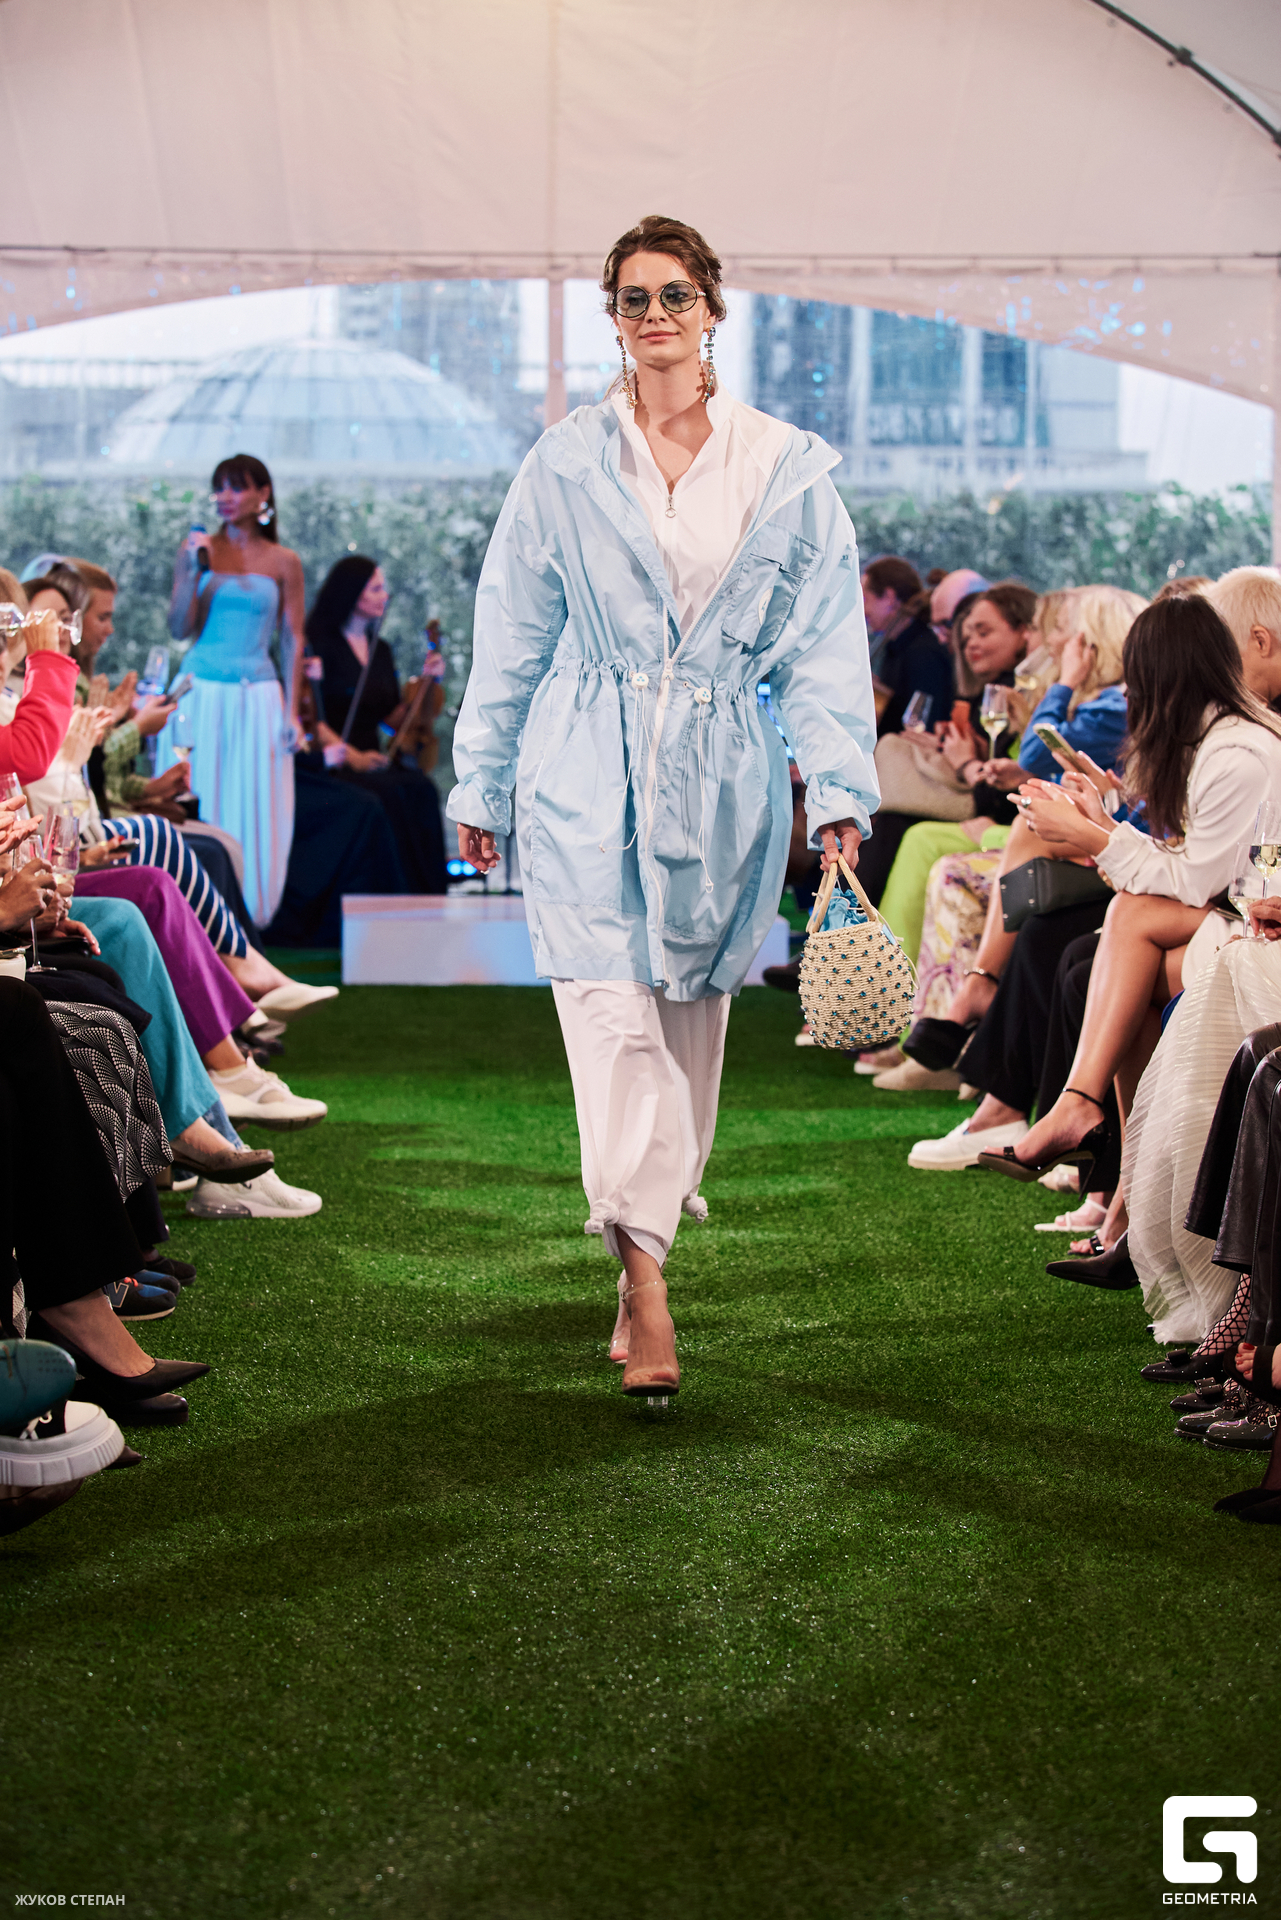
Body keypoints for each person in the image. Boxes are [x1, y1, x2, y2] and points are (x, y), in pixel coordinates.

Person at [448, 213, 878, 1400]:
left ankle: (636, 1237)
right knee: (610, 1017)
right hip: (582, 759)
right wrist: (483, 776)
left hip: (725, 773)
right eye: (633, 298)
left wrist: (839, 789)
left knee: (688, 1027)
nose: (654, 316)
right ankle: (648, 1288)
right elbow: (511, 627)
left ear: (712, 309)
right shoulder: (564, 462)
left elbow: (826, 648)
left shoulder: (784, 466)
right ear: (614, 317)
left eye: (674, 295)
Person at [973, 594, 1281, 1185]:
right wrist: (1106, 820)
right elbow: (1194, 861)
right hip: (1236, 911)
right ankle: (1121, 1183)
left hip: (1253, 921)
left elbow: (1198, 882)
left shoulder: (1237, 751)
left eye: (1134, 680)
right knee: (1120, 952)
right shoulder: (1222, 739)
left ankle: (1095, 1139)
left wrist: (1095, 835)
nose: (1128, 696)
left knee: (1122, 929)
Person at [162, 453, 305, 928]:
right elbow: (178, 628)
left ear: (263, 494)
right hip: (200, 691)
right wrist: (189, 570)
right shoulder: (199, 551)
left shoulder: (284, 561)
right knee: (196, 793)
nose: (225, 497)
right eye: (219, 487)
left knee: (256, 801)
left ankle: (249, 913)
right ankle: (186, 908)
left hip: (258, 695)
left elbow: (293, 638)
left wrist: (292, 712)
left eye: (237, 487)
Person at [303, 555, 448, 893]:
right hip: (335, 759)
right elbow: (311, 717)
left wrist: (427, 686)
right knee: (388, 795)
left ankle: (427, 893)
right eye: (376, 589)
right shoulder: (318, 646)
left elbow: (393, 718)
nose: (385, 596)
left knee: (421, 789)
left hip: (373, 757)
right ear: (353, 594)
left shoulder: (379, 649)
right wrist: (353, 757)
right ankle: (394, 892)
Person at [862, 555, 953, 736]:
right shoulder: (896, 648)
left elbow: (924, 726)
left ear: (889, 597)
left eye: (865, 599)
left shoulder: (924, 653)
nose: (862, 610)